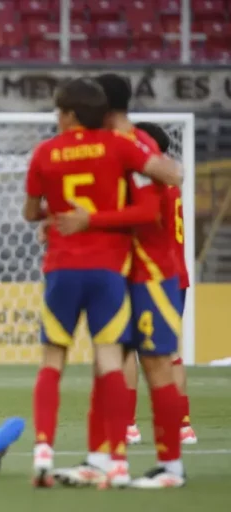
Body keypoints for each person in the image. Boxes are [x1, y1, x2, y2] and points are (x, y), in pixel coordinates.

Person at [22, 77, 182, 489]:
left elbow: (150, 210)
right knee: (106, 363)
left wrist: (88, 220)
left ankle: (170, 467)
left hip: (150, 271)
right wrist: (61, 223)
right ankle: (101, 459)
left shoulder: (138, 145)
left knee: (156, 364)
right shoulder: (110, 148)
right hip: (114, 267)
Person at [128, 121, 197, 446]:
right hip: (176, 277)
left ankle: (128, 425)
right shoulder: (171, 183)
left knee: (125, 350)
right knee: (170, 353)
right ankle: (182, 425)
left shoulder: (148, 185)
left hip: (149, 275)